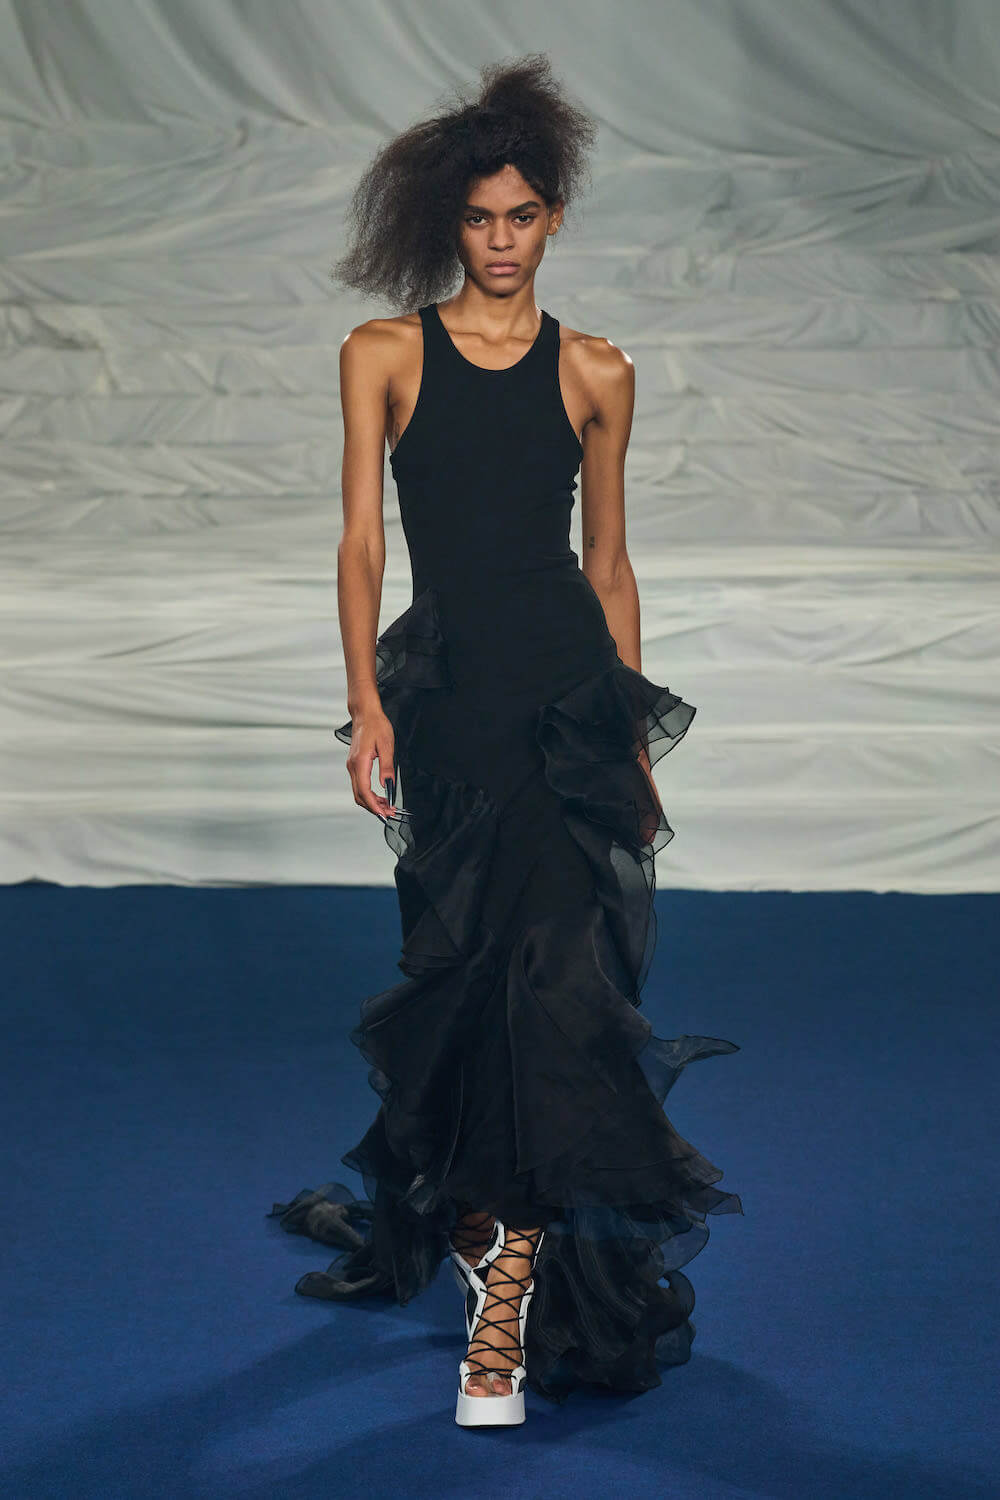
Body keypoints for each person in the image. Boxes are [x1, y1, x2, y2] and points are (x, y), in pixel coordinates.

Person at [268, 53, 743, 1429]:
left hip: (563, 701)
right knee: (466, 983)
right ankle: (484, 1231)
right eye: (478, 218)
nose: (499, 240)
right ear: (448, 223)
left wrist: (630, 735)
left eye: (522, 216)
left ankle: (502, 1315)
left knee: (555, 991)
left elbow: (611, 563)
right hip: (450, 707)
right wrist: (366, 702)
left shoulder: (597, 371)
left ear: (554, 219)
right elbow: (360, 544)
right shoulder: (382, 354)